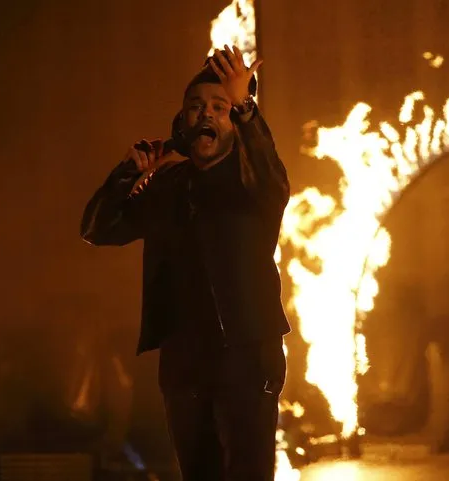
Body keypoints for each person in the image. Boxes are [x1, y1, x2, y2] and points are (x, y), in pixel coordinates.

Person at [80, 45, 291, 481]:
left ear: (234, 122)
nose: (206, 115)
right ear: (182, 122)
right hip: (184, 359)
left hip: (248, 355)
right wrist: (125, 176)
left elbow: (270, 172)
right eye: (196, 107)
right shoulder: (167, 186)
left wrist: (246, 105)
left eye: (219, 107)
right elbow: (98, 230)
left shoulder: (252, 183)